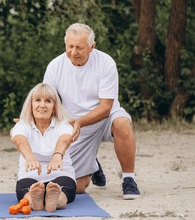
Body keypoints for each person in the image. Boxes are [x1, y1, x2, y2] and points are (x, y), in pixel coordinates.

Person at [43, 23, 140, 199]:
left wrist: (79, 122)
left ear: (92, 46)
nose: (73, 52)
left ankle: (129, 179)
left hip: (104, 119)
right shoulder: (55, 66)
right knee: (77, 188)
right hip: (75, 127)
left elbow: (106, 108)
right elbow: (46, 100)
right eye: (70, 47)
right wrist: (31, 118)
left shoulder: (105, 63)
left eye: (79, 47)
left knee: (122, 122)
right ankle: (93, 164)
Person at [10, 83, 76, 212]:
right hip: (31, 176)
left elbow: (65, 139)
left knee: (63, 190)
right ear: (31, 105)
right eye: (37, 100)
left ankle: (54, 200)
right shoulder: (23, 125)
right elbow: (20, 140)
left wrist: (57, 156)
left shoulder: (63, 124)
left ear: (55, 107)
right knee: (26, 190)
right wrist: (29, 157)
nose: (42, 105)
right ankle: (36, 200)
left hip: (60, 174)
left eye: (48, 101)